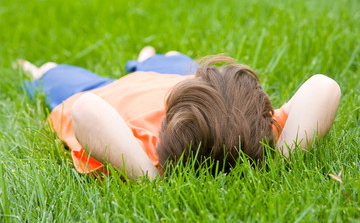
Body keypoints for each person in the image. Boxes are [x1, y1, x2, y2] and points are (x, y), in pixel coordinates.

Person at [18, 47, 341, 180]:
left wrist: (148, 176)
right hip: (177, 82)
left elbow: (86, 109)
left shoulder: (139, 148)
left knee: (46, 70)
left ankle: (146, 58)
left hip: (106, 91)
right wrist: (280, 161)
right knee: (172, 56)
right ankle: (148, 57)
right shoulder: (258, 138)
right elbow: (325, 86)